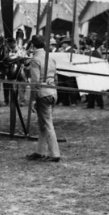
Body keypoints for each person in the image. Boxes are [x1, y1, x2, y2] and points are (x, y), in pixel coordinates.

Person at [24, 35, 61, 163]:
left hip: (43, 94)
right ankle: (40, 151)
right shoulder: (51, 57)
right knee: (42, 124)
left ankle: (55, 154)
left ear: (33, 45)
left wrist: (33, 99)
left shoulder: (35, 59)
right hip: (52, 92)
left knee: (47, 124)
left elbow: (35, 82)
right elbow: (55, 78)